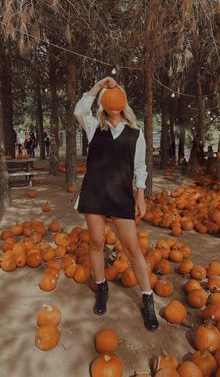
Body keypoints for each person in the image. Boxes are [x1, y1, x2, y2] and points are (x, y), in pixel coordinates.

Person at [73, 76, 159, 331]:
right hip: (95, 192)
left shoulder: (136, 134)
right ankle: (101, 288)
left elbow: (141, 167)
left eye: (117, 94)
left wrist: (141, 194)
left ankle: (147, 298)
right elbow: (80, 109)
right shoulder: (93, 127)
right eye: (108, 96)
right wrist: (99, 86)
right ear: (104, 102)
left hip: (121, 194)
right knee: (97, 242)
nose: (113, 98)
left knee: (132, 248)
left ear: (123, 102)